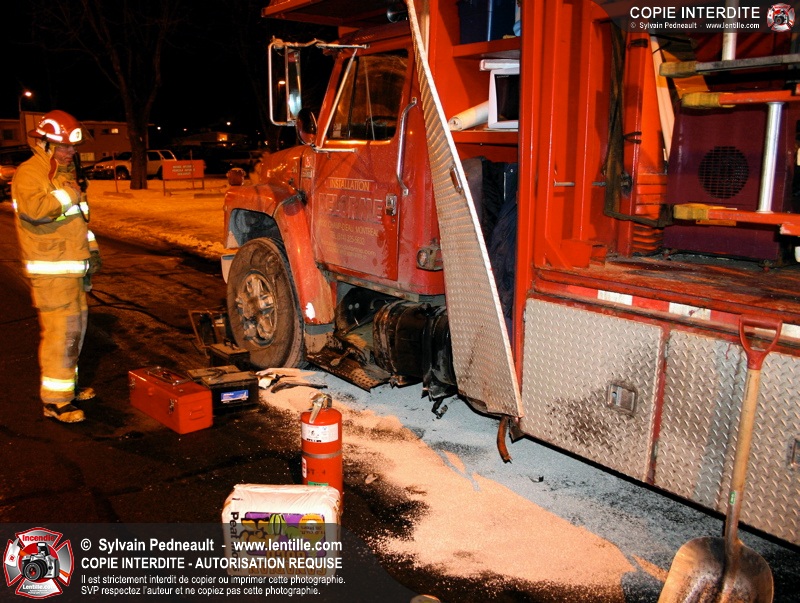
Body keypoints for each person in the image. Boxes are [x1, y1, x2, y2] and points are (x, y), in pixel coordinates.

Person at [11, 110, 101, 423]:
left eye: (72, 146)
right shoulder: (30, 172)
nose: (71, 151)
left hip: (71, 269)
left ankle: (67, 389)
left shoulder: (61, 174)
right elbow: (34, 209)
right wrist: (69, 194)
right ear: (45, 144)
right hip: (52, 271)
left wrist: (91, 253)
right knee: (61, 335)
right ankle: (55, 402)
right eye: (64, 146)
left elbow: (78, 221)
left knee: (74, 333)